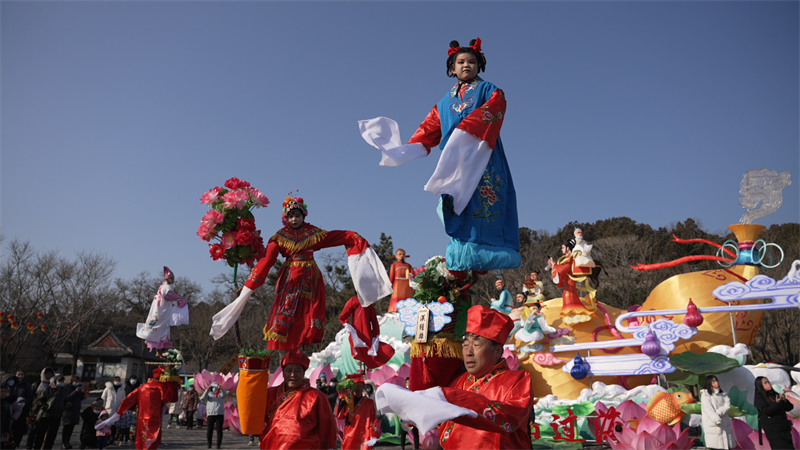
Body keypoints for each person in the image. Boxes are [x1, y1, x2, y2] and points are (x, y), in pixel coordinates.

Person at [359, 37, 520, 273]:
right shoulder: (444, 103)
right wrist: (403, 150)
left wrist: (465, 131)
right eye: (461, 62)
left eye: (472, 62)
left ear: (480, 65)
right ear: (452, 68)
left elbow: (497, 106)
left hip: (482, 155)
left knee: (483, 200)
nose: (467, 65)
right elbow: (428, 130)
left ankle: (486, 251)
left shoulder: (488, 90)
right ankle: (463, 251)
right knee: (454, 203)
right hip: (453, 160)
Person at [211, 195, 390, 351]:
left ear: (303, 215)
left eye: (297, 215)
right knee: (286, 311)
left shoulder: (313, 233)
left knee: (309, 314)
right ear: (285, 218)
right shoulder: (279, 237)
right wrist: (249, 287)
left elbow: (336, 237)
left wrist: (353, 236)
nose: (294, 219)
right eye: (291, 216)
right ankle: (288, 350)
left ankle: (304, 343)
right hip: (291, 279)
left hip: (311, 280)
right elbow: (266, 262)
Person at [438, 305, 532, 449]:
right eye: (465, 344)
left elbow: (510, 417)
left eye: (476, 345)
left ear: (497, 351)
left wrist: (454, 398)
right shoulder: (457, 381)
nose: (469, 352)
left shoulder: (518, 379)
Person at [259, 350, 336, 450]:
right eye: (289, 370)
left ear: (304, 373)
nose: (293, 374)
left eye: (298, 370)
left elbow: (327, 425)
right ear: (283, 373)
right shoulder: (269, 394)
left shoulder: (316, 396)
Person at [112, 367, 179, 450]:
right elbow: (172, 398)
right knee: (152, 438)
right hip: (155, 418)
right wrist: (172, 383)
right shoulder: (160, 388)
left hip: (142, 417)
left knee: (141, 438)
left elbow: (128, 399)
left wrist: (119, 412)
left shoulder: (142, 387)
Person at [136, 266, 189, 350]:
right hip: (162, 311)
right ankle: (156, 346)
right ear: (167, 279)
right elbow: (171, 296)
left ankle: (156, 346)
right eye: (172, 279)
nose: (173, 280)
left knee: (158, 327)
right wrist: (181, 299)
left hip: (160, 309)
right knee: (160, 327)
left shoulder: (163, 287)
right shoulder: (166, 288)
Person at [339, 295, 395, 369]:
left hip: (367, 334)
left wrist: (375, 335)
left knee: (372, 352)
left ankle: (366, 366)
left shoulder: (369, 304)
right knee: (360, 351)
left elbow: (374, 321)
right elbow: (343, 316)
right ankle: (363, 365)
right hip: (357, 333)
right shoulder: (354, 300)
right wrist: (348, 327)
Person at [547, 238, 592, 320]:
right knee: (566, 293)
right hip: (568, 279)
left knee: (569, 294)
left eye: (563, 247)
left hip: (570, 279)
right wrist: (554, 266)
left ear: (568, 248)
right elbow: (563, 270)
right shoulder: (566, 257)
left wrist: (554, 265)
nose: (561, 249)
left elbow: (566, 267)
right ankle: (570, 313)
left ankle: (573, 312)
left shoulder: (570, 257)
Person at [336, 375, 379, 450]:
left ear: (363, 388)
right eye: (357, 386)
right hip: (350, 429)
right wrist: (341, 404)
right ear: (354, 388)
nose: (359, 388)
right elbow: (340, 416)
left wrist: (373, 434)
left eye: (361, 386)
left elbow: (372, 418)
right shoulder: (348, 400)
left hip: (364, 430)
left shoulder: (369, 402)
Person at [31, 375, 70, 450]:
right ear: (55, 381)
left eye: (62, 381)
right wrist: (45, 406)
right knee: (40, 434)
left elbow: (66, 401)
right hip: (46, 415)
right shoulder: (47, 389)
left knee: (52, 436)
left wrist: (63, 407)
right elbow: (40, 400)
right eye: (59, 381)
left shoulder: (65, 390)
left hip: (57, 416)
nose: (61, 382)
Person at [753, 376, 793, 449]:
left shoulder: (774, 394)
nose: (768, 384)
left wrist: (784, 401)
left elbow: (790, 408)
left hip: (784, 427)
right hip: (773, 430)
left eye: (768, 382)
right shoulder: (759, 398)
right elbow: (767, 410)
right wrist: (777, 403)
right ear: (760, 386)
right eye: (765, 383)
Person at [700, 375, 734, 450]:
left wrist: (718, 412)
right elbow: (708, 409)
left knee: (727, 445)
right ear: (709, 383)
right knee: (717, 446)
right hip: (713, 424)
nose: (716, 382)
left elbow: (727, 404)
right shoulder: (705, 395)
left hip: (724, 422)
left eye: (716, 380)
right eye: (713, 381)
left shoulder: (723, 393)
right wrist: (716, 419)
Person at [61, 377, 85, 449]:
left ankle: (67, 442)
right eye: (75, 381)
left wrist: (82, 392)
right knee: (66, 427)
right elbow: (68, 397)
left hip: (75, 410)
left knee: (71, 427)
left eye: (78, 381)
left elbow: (81, 398)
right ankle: (63, 442)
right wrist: (76, 391)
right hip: (68, 409)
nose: (77, 382)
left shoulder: (79, 387)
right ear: (72, 381)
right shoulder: (67, 387)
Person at [200, 383, 226, 449]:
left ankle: (218, 445)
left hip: (219, 414)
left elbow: (225, 394)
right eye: (213, 387)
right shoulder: (208, 394)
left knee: (219, 430)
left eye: (216, 387)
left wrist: (221, 387)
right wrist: (207, 389)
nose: (214, 388)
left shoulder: (220, 394)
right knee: (209, 430)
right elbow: (203, 397)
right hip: (211, 414)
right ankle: (209, 444)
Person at [100, 378, 125, 444]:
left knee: (114, 426)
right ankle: (105, 439)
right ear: (113, 381)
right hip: (108, 409)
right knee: (107, 425)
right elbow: (103, 398)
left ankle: (112, 440)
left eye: (118, 381)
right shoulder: (108, 389)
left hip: (117, 410)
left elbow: (124, 400)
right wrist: (103, 408)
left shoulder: (122, 390)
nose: (117, 382)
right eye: (116, 380)